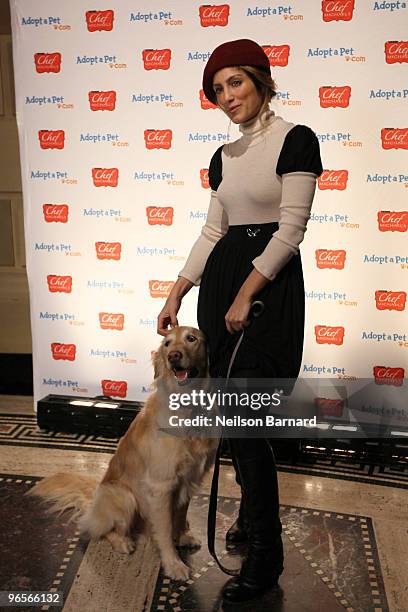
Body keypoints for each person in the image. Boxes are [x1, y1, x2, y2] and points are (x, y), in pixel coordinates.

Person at [157, 39, 323, 604]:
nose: (227, 96)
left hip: (266, 297)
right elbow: (213, 232)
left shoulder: (295, 140)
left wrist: (245, 295)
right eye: (218, 88)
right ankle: (251, 523)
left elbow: (290, 231)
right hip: (222, 290)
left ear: (260, 80)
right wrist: (177, 291)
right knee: (232, 421)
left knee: (250, 433)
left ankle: (265, 563)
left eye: (236, 82)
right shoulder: (222, 157)